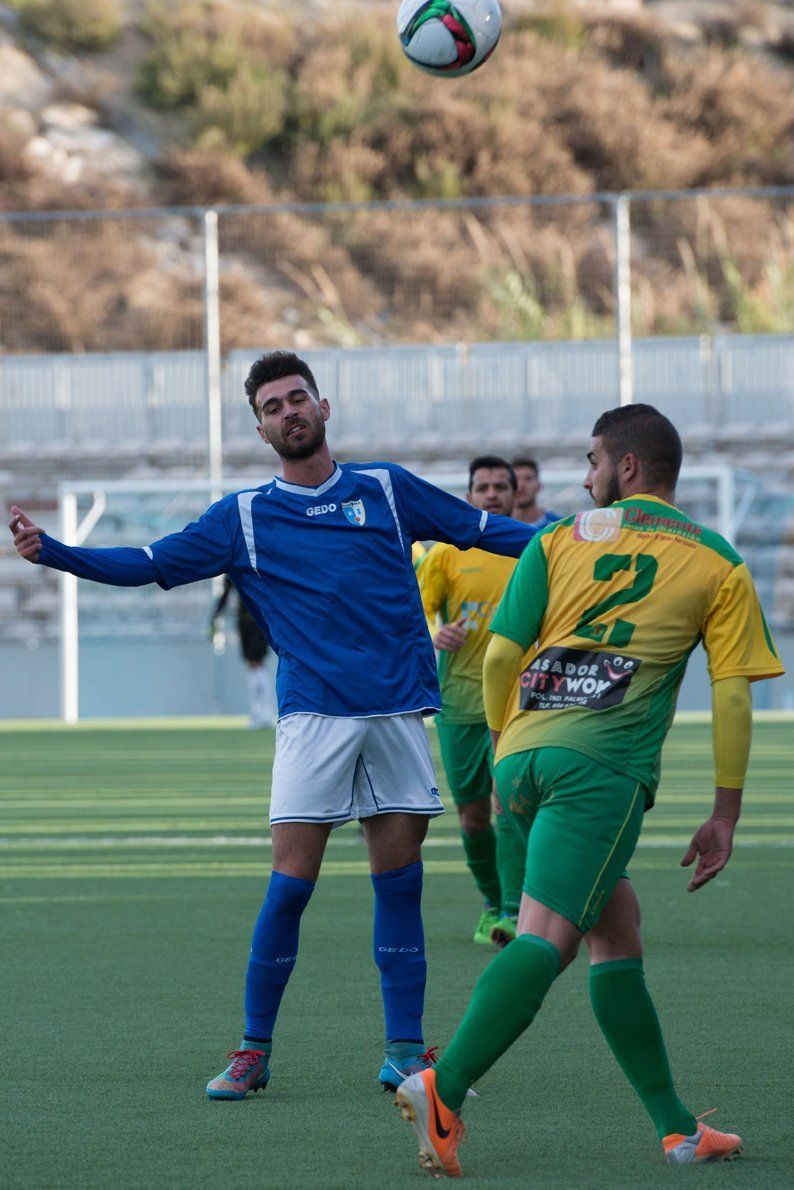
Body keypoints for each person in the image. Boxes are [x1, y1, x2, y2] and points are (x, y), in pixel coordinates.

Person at [8, 349, 535, 1101]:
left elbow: (485, 530)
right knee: (289, 888)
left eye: (298, 398)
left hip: (393, 714)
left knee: (401, 886)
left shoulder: (386, 488)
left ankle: (405, 1053)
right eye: (273, 407)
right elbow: (150, 562)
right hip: (314, 720)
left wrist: (579, 539)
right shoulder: (245, 516)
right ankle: (253, 1051)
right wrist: (52, 551)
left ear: (324, 408)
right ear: (260, 429)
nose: (289, 412)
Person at [393, 403, 783, 1176]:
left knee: (617, 930)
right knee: (546, 940)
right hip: (600, 770)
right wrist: (725, 812)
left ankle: (678, 1127)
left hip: (528, 756)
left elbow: (502, 658)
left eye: (592, 459)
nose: (583, 474)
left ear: (628, 467)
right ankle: (445, 1087)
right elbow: (733, 696)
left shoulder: (557, 537)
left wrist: (507, 753)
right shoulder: (717, 562)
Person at [417, 456, 526, 948]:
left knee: (511, 806)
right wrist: (440, 632)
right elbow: (416, 617)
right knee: (473, 817)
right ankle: (491, 899)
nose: (491, 495)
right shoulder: (444, 555)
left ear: (515, 492)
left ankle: (513, 909)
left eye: (499, 486)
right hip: (460, 703)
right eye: (481, 487)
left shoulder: (535, 550)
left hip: (520, 705)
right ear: (469, 496)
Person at [210, 575, 275, 729]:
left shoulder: (260, 563)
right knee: (252, 664)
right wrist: (215, 617)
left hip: (260, 622)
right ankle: (258, 712)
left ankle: (266, 712)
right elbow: (225, 594)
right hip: (243, 622)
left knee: (257, 663)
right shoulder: (233, 566)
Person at [511, 456, 560, 529]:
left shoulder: (558, 526)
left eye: (528, 478)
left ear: (539, 486)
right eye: (516, 479)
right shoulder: (499, 528)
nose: (521, 484)